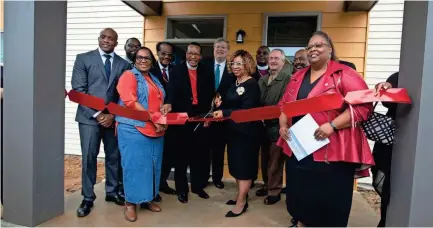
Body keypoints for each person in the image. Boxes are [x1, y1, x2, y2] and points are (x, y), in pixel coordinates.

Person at [277, 31, 375, 227]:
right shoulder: (297, 76)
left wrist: (332, 125)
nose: (313, 49)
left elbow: (364, 105)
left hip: (332, 150)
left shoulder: (344, 74)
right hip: (300, 148)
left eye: (318, 45)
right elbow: (284, 106)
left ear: (329, 49)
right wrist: (282, 124)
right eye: (310, 46)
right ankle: (302, 222)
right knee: (300, 193)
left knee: (329, 199)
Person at [71, 28, 131, 217]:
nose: (106, 41)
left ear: (116, 42)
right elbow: (79, 91)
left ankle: (112, 192)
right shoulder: (83, 58)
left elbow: (124, 95)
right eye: (103, 37)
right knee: (89, 157)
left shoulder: (124, 65)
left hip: (113, 119)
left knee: (114, 156)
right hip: (89, 119)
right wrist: (98, 114)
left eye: (111, 39)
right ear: (99, 39)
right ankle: (88, 197)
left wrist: (113, 115)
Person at [116, 47, 166, 222]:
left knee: (152, 166)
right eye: (140, 57)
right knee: (134, 166)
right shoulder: (128, 76)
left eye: (147, 58)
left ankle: (147, 199)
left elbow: (159, 101)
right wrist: (154, 119)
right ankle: (130, 203)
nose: (143, 60)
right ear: (134, 59)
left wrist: (166, 108)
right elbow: (130, 102)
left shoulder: (153, 78)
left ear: (152, 61)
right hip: (133, 128)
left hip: (155, 128)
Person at [161, 42, 214, 203]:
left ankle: (197, 187)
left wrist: (208, 116)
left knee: (198, 156)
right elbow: (170, 93)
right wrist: (168, 105)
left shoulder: (206, 71)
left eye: (196, 54)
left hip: (200, 118)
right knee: (181, 158)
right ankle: (181, 190)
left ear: (200, 56)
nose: (193, 56)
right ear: (186, 54)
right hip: (181, 120)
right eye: (190, 53)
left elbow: (211, 95)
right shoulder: (176, 70)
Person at [213, 50, 261, 217]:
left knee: (244, 168)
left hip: (247, 134)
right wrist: (220, 102)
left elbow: (247, 111)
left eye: (239, 63)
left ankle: (242, 202)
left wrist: (225, 113)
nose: (235, 67)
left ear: (247, 64)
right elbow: (231, 101)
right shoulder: (235, 82)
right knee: (236, 166)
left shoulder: (252, 85)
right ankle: (241, 195)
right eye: (233, 63)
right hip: (233, 132)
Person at [257, 49, 291, 205]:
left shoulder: (288, 79)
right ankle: (266, 184)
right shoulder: (262, 79)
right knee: (264, 158)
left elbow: (287, 103)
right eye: (271, 58)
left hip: (278, 125)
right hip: (262, 125)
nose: (273, 60)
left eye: (277, 58)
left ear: (283, 62)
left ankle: (274, 191)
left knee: (275, 160)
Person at [205, 37, 235, 189]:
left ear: (227, 51)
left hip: (223, 117)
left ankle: (217, 178)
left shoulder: (232, 69)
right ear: (213, 49)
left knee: (218, 149)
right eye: (218, 47)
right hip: (204, 115)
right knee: (204, 148)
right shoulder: (205, 65)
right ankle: (203, 177)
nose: (220, 50)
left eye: (223, 47)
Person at [372, 72, 399, 227]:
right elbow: (387, 103)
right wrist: (387, 87)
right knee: (383, 182)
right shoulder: (399, 76)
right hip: (390, 141)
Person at [150, 41, 177, 201]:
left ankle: (162, 183)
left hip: (172, 121)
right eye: (163, 53)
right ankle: (152, 186)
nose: (166, 56)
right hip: (154, 120)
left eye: (169, 54)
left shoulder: (175, 70)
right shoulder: (150, 71)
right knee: (154, 155)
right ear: (157, 53)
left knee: (169, 155)